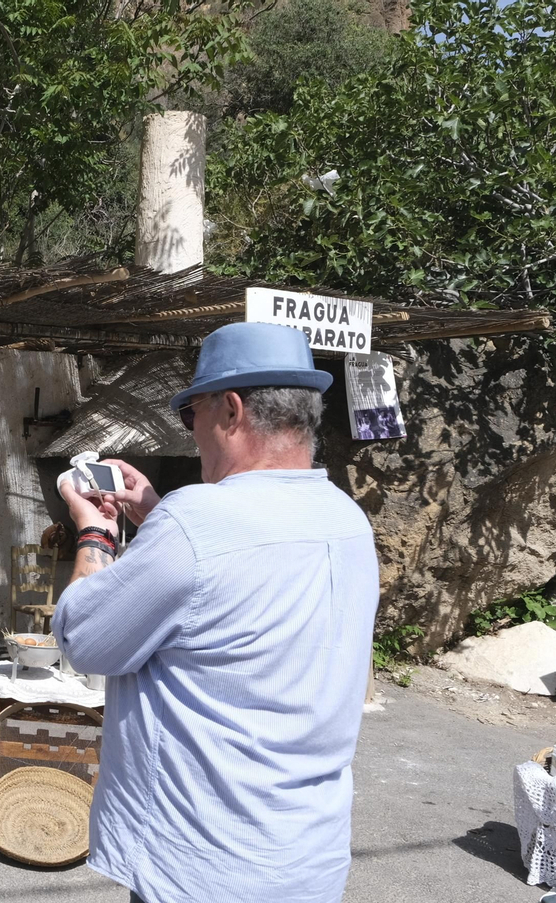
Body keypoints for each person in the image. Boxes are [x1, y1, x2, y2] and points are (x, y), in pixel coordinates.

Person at [51, 321, 379, 903]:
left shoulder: (195, 521)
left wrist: (96, 533)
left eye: (190, 415)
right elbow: (233, 583)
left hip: (203, 868)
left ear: (230, 410)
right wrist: (153, 512)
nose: (192, 432)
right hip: (307, 863)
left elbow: (85, 639)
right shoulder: (347, 520)